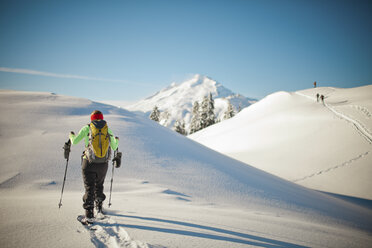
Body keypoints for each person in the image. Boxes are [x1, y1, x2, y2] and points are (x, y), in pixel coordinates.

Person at [69, 110, 119, 220]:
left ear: (92, 119)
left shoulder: (87, 128)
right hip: (103, 164)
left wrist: (71, 135)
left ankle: (89, 214)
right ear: (102, 118)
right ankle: (99, 208)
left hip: (89, 162)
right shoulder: (107, 129)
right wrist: (116, 140)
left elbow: (75, 142)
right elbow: (114, 147)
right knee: (99, 185)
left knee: (89, 187)